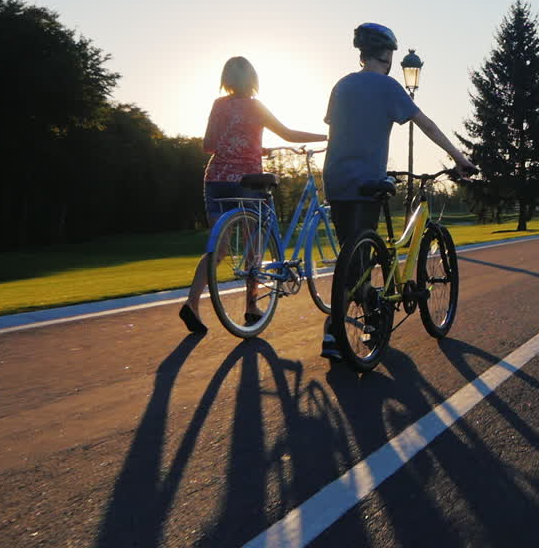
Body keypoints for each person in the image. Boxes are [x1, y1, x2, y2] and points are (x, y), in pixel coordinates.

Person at [320, 22, 477, 359]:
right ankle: (338, 329)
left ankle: (357, 318)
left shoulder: (342, 85)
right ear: (388, 54)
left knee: (353, 252)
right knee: (359, 261)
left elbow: (340, 130)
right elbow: (427, 125)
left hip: (335, 180)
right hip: (365, 179)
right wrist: (460, 158)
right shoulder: (389, 87)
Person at [178, 56, 327, 333]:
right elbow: (288, 134)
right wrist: (326, 136)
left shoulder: (218, 105)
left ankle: (191, 303)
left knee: (217, 247)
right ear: (253, 79)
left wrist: (246, 145)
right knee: (254, 243)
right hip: (247, 181)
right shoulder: (256, 106)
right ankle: (251, 306)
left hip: (216, 180)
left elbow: (208, 145)